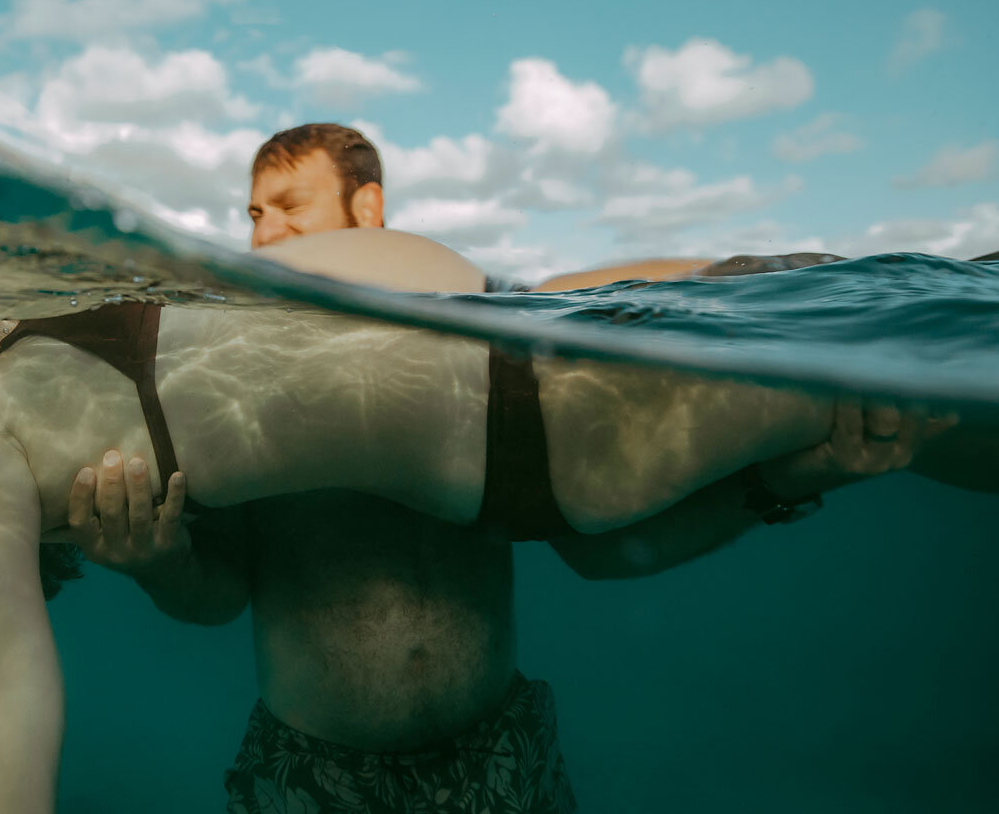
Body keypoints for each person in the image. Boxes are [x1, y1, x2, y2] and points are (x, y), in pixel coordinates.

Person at [0, 224, 964, 814]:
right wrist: (159, 561)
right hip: (557, 425)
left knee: (917, 388)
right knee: (912, 362)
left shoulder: (63, 334)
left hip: (552, 446)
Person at [54, 124, 915, 813]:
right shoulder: (229, 372)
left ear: (368, 210)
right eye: (251, 214)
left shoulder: (477, 333)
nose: (262, 233)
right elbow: (222, 593)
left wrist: (800, 475)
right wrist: (155, 561)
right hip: (312, 779)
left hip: (503, 759)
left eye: (287, 205)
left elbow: (600, 548)